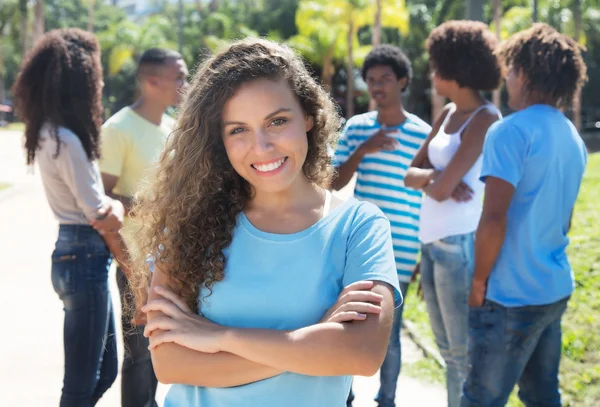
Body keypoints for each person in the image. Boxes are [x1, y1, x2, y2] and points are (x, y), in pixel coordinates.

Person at [128, 38, 401, 407]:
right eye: (238, 129)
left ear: (308, 116)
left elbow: (361, 355)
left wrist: (219, 338)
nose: (261, 146)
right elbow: (171, 363)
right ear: (218, 140)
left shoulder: (359, 226)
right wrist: (313, 338)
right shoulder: (191, 223)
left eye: (277, 121)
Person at [462, 23, 588, 407]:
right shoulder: (571, 135)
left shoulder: (509, 131)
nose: (507, 79)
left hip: (508, 296)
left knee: (480, 399)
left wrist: (479, 281)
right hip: (553, 288)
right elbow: (564, 220)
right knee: (542, 396)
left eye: (512, 71)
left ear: (527, 74)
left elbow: (494, 217)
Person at [12, 28, 131, 406]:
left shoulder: (50, 133)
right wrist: (120, 207)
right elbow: (98, 211)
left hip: (77, 256)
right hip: (84, 256)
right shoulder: (65, 139)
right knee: (81, 384)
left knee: (105, 371)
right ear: (81, 80)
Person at [404, 21, 502, 407]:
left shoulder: (485, 118)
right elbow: (410, 174)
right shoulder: (446, 113)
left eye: (435, 64)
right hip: (431, 244)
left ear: (454, 66)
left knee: (460, 357)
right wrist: (435, 176)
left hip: (459, 247)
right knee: (448, 353)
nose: (431, 73)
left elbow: (444, 190)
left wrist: (435, 180)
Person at [332, 44, 431, 407]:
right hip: (357, 245)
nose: (377, 86)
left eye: (385, 79)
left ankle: (386, 400)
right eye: (371, 80)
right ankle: (344, 395)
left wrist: (424, 251)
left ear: (402, 81)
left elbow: (429, 196)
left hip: (403, 247)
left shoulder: (424, 133)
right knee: (344, 324)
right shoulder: (356, 129)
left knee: (389, 333)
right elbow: (332, 183)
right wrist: (363, 149)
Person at [99, 47, 189, 407]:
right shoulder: (118, 129)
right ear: (152, 82)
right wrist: (147, 208)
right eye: (179, 76)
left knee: (162, 355)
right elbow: (101, 202)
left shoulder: (172, 128)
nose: (186, 83)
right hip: (133, 263)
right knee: (139, 357)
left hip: (170, 261)